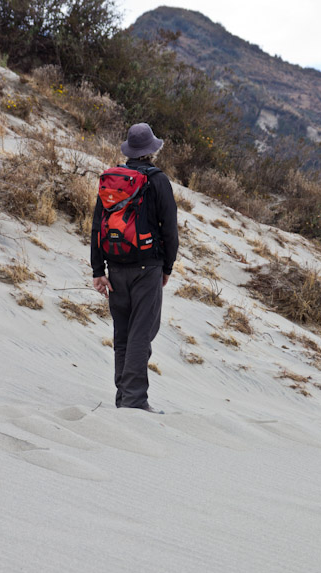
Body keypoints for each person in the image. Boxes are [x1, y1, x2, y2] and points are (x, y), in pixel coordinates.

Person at [91, 123, 178, 413]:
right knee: (142, 334)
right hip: (147, 267)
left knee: (123, 336)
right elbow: (170, 230)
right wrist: (167, 266)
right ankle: (135, 401)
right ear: (153, 150)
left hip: (114, 268)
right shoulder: (158, 180)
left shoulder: (112, 180)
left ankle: (123, 397)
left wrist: (97, 271)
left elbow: (96, 227)